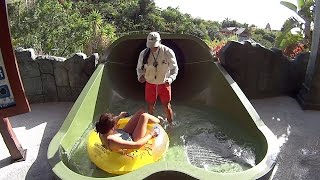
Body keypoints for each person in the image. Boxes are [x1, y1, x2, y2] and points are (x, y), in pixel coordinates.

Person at [136, 32, 179, 125]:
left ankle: (170, 124)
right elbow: (139, 68)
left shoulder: (168, 52)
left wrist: (170, 79)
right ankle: (152, 124)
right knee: (150, 105)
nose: (153, 48)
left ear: (160, 42)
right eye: (151, 46)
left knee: (166, 106)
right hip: (150, 83)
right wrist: (140, 76)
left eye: (155, 46)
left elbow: (174, 68)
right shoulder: (144, 53)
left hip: (164, 83)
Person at [95, 109, 160, 152]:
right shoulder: (112, 140)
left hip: (124, 134)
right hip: (133, 140)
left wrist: (120, 116)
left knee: (141, 112)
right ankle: (158, 121)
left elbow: (110, 122)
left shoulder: (102, 130)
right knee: (144, 116)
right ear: (112, 127)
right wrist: (151, 134)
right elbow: (137, 145)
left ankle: (154, 121)